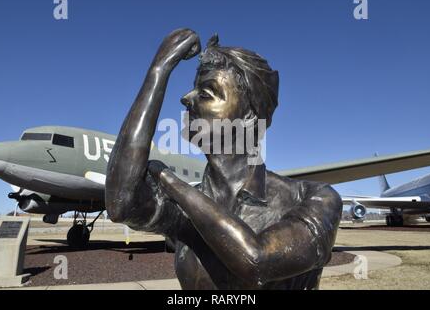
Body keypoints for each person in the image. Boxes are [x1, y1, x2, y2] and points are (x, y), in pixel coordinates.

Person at [106, 29, 342, 289]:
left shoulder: (315, 198)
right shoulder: (183, 212)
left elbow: (257, 261)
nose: (186, 98)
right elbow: (121, 205)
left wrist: (168, 180)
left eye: (206, 92)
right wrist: (159, 71)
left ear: (250, 115)